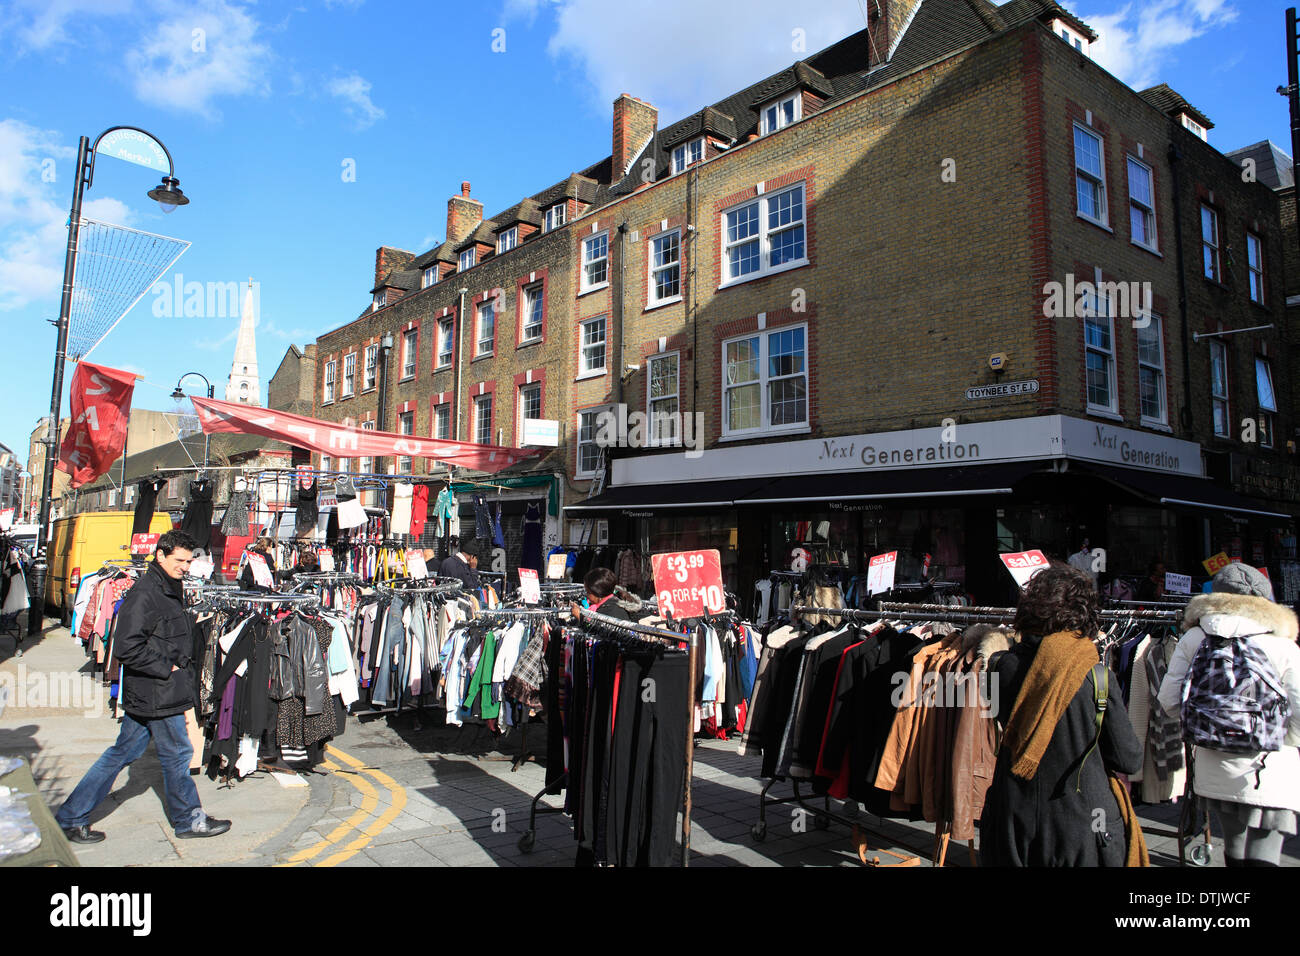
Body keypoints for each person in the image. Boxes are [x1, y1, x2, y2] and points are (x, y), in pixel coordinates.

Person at [54, 531, 231, 843]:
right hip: (157, 691)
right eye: (180, 560)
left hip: (155, 691)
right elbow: (126, 647)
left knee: (122, 752)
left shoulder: (166, 587)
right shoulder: (146, 593)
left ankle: (71, 816)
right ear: (160, 556)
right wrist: (169, 669)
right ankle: (189, 819)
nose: (186, 567)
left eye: (189, 561)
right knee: (177, 753)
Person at [980, 564, 1145, 866]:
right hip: (1083, 823)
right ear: (1083, 613)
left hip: (1013, 817)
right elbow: (1129, 759)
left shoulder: (999, 667)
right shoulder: (1097, 677)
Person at [1156, 563, 1300, 867]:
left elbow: (1169, 701)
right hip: (1268, 766)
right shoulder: (1283, 644)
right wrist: (1279, 737)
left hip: (1212, 763)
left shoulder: (1194, 638)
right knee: (1266, 846)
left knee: (1233, 841)